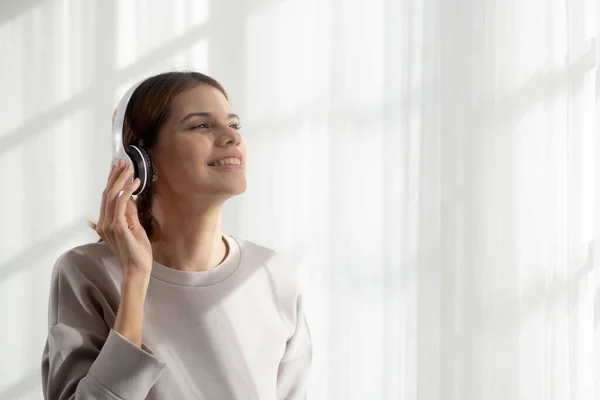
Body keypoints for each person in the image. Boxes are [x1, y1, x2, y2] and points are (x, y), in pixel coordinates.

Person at [41, 71, 312, 399]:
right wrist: (136, 282)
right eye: (201, 125)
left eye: (234, 124)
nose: (231, 137)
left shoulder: (272, 273)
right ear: (139, 159)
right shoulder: (86, 273)